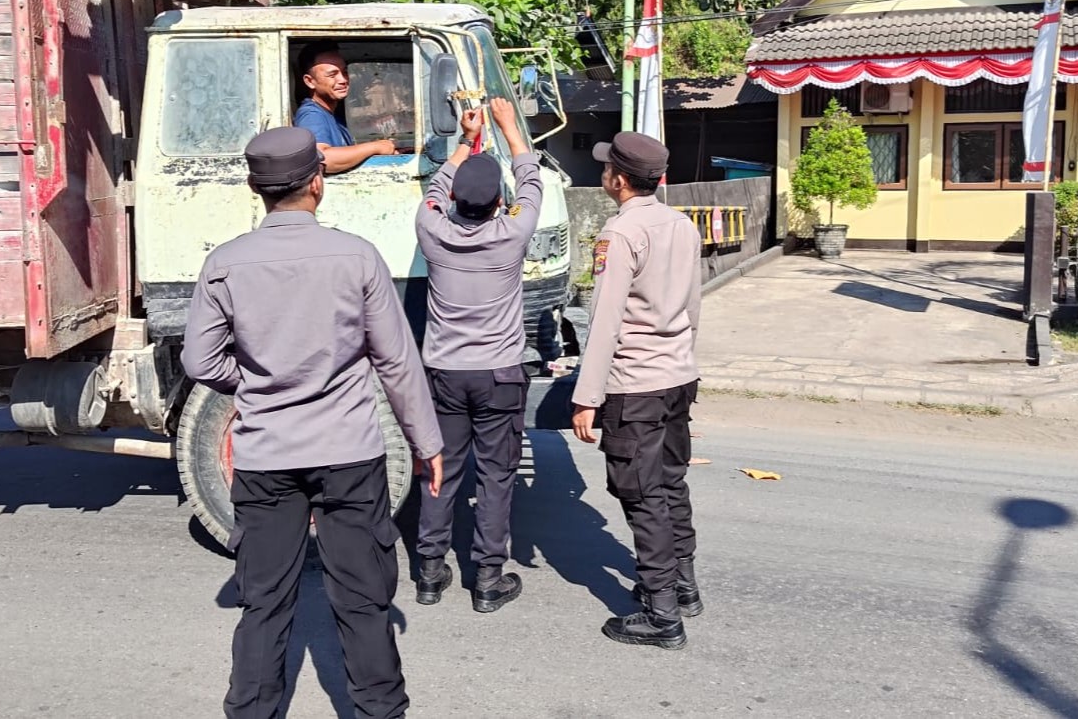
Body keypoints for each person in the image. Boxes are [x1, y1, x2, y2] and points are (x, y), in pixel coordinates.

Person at [181, 125, 445, 719]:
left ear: (256, 189)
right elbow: (396, 362)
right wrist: (426, 442)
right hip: (349, 451)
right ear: (317, 185)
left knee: (264, 603)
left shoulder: (224, 265)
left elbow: (199, 362)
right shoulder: (358, 257)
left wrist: (252, 382)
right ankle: (380, 710)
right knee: (364, 600)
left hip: (265, 457)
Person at [569, 132, 703, 650]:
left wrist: (587, 397)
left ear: (619, 180)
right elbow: (693, 305)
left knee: (642, 496)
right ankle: (684, 585)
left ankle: (662, 612)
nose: (603, 174)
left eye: (607, 168)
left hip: (636, 384)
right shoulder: (681, 224)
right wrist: (684, 359)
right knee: (671, 483)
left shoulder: (620, 232)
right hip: (677, 376)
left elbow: (605, 322)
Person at [412, 97, 542, 613]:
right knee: (495, 475)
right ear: (497, 203)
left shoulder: (432, 230)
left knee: (440, 469)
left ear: (454, 201)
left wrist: (466, 142)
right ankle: (487, 578)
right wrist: (510, 129)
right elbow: (530, 181)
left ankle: (429, 571)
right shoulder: (512, 233)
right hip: (500, 375)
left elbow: (434, 188)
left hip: (444, 373)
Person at [294, 42, 398, 173]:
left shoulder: (332, 116)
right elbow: (323, 159)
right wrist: (376, 147)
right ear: (310, 81)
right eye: (332, 75)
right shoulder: (311, 115)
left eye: (344, 72)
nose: (343, 80)